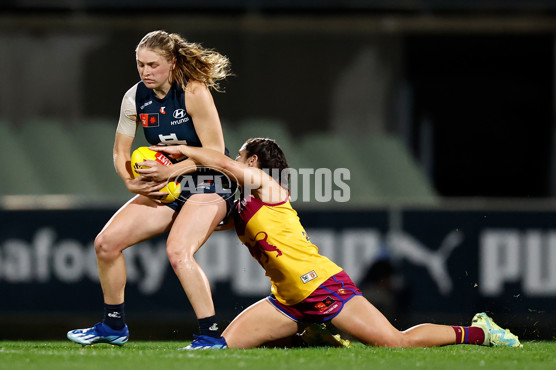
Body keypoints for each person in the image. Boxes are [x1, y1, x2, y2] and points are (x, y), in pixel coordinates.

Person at [156, 138, 522, 349]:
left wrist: (184, 155)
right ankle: (317, 328)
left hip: (321, 285)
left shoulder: (267, 186)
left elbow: (219, 162)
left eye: (240, 156)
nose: (234, 161)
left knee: (395, 342)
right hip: (286, 299)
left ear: (252, 161)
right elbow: (207, 222)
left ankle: (480, 332)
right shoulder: (242, 203)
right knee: (219, 349)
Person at [67, 30, 236, 349]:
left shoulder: (193, 92)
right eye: (140, 64)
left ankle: (210, 335)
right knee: (106, 244)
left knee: (177, 251)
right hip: (169, 183)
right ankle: (113, 325)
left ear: (172, 63)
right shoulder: (134, 98)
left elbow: (214, 153)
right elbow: (120, 151)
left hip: (210, 179)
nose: (146, 71)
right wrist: (129, 180)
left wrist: (171, 170)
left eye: (153, 65)